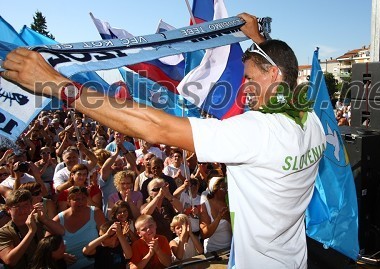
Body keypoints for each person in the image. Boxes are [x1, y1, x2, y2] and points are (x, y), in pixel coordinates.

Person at [2, 13, 327, 268]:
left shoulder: (255, 131)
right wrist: (260, 42)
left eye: (250, 78)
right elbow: (283, 75)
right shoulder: (310, 119)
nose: (244, 87)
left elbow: (153, 125)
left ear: (273, 75)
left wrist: (58, 85)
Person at [0, 189, 65, 268]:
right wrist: (31, 232)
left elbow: (61, 232)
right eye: (17, 206)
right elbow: (10, 261)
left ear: (31, 206)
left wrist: (45, 219)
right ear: (8, 209)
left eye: (26, 205)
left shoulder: (37, 219)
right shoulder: (4, 232)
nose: (23, 209)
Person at [52, 186, 106, 269]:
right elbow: (46, 246)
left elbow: (106, 238)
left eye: (84, 198)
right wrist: (61, 255)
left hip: (95, 264)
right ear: (68, 201)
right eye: (77, 199)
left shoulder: (96, 213)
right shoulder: (59, 220)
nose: (81, 202)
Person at [199, 177, 232, 253]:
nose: (226, 190)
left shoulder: (230, 202)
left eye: (227, 187)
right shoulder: (205, 206)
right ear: (215, 190)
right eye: (223, 187)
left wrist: (228, 218)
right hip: (213, 251)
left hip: (231, 248)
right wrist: (218, 218)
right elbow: (204, 234)